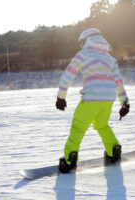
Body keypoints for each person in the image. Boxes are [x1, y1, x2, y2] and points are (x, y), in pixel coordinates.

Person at [56, 28, 130, 173]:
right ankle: (113, 151)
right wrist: (124, 102)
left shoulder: (83, 54)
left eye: (81, 42)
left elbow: (67, 75)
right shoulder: (110, 58)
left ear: (86, 40)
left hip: (91, 98)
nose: (81, 45)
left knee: (78, 127)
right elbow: (118, 82)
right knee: (102, 125)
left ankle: (69, 161)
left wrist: (61, 97)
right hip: (108, 99)